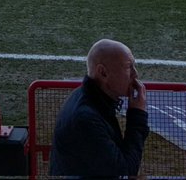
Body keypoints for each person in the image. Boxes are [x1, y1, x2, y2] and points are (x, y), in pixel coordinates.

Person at [50, 38, 148, 179]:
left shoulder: (89, 99)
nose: (135, 74)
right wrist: (138, 116)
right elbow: (125, 171)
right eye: (128, 67)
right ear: (103, 73)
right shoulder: (86, 119)